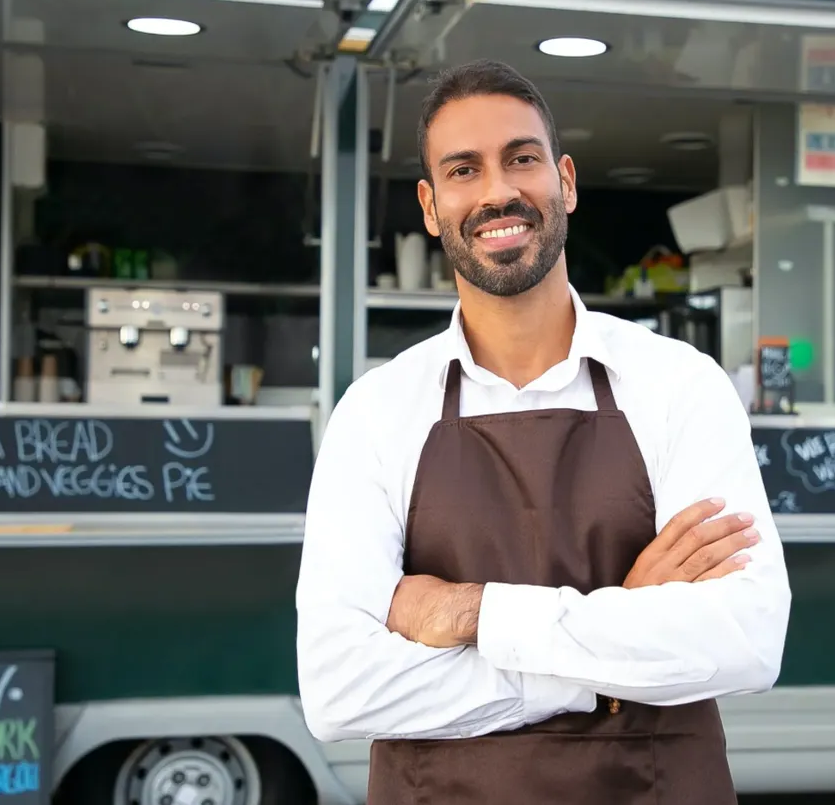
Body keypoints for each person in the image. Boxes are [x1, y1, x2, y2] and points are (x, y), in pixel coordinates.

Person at [295, 59, 791, 805]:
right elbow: (339, 691)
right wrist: (612, 642)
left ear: (565, 180)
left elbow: (745, 642)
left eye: (521, 159)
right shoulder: (377, 411)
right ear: (431, 206)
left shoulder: (679, 385)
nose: (498, 191)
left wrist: (471, 613)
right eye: (464, 170)